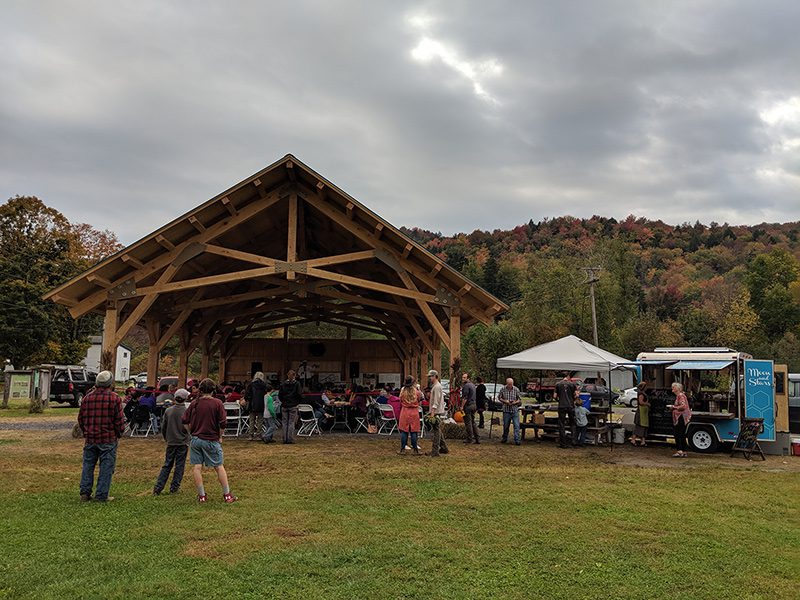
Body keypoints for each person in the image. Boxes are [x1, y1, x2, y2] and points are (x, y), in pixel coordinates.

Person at [181, 378, 237, 503]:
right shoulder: (217, 403)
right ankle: (227, 494)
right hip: (211, 439)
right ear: (213, 390)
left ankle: (202, 496)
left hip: (196, 439)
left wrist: (191, 432)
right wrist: (220, 436)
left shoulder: (195, 403)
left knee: (197, 467)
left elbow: (184, 420)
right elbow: (223, 423)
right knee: (219, 466)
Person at [78, 370, 124, 502]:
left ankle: (85, 493)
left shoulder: (87, 398)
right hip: (108, 439)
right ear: (110, 383)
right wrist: (119, 433)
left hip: (90, 438)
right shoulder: (115, 398)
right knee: (106, 467)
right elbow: (119, 420)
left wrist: (86, 432)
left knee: (88, 465)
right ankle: (101, 495)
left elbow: (81, 419)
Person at [153, 388, 191, 495]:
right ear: (185, 399)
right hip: (182, 442)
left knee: (167, 464)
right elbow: (189, 427)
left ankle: (158, 487)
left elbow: (163, 427)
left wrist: (166, 438)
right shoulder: (186, 412)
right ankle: (174, 487)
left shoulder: (168, 411)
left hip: (171, 441)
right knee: (179, 465)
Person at [427, 370, 449, 457]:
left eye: (431, 376)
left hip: (436, 412)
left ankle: (435, 451)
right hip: (436, 411)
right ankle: (444, 448)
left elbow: (436, 401)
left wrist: (432, 412)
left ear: (435, 376)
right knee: (437, 429)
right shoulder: (436, 386)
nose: (430, 378)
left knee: (436, 432)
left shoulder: (436, 387)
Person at [398, 377, 421, 455]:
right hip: (414, 412)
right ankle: (415, 450)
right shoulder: (416, 392)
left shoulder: (402, 391)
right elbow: (420, 399)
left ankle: (402, 449)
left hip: (405, 411)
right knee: (414, 431)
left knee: (404, 431)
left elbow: (400, 400)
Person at [278, 369, 303, 444]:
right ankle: (290, 439)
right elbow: (299, 394)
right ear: (294, 375)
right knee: (291, 422)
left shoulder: (283, 384)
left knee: (284, 422)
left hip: (284, 405)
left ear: (287, 375)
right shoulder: (297, 384)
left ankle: (284, 439)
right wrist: (297, 402)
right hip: (293, 405)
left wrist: (283, 401)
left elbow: (280, 395)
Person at [555, 372, 578, 448]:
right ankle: (574, 441)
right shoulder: (572, 384)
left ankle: (563, 443)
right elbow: (577, 395)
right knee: (573, 423)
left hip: (561, 406)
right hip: (571, 406)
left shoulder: (558, 384)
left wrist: (559, 400)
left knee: (561, 424)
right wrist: (573, 399)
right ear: (568, 376)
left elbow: (554, 396)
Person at [498, 377, 522, 445]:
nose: (510, 385)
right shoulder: (503, 389)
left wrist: (515, 402)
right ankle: (504, 438)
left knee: (516, 426)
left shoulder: (516, 389)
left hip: (514, 410)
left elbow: (520, 399)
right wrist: (505, 401)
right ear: (507, 384)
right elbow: (499, 397)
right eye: (509, 384)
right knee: (506, 426)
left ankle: (517, 440)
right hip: (506, 410)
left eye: (511, 384)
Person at [245, 372, 267, 440]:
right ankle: (258, 434)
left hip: (252, 404)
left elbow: (247, 395)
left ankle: (250, 435)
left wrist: (247, 400)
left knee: (252, 420)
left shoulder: (251, 385)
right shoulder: (264, 385)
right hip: (261, 404)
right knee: (260, 420)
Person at [671, 382, 692, 458]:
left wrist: (673, 407)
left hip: (681, 417)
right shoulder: (680, 396)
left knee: (678, 433)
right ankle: (684, 451)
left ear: (678, 388)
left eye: (674, 387)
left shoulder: (680, 395)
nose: (672, 388)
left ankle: (679, 451)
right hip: (683, 417)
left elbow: (683, 406)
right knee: (682, 434)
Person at [461, 372, 479, 444]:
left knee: (468, 423)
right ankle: (477, 438)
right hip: (474, 405)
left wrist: (462, 406)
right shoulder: (473, 385)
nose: (463, 379)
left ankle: (470, 438)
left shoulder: (466, 386)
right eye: (462, 377)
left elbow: (465, 398)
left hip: (468, 405)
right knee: (473, 422)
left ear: (468, 378)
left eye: (464, 377)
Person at [630, 382, 650, 447]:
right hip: (641, 413)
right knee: (639, 427)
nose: (647, 388)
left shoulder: (643, 393)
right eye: (646, 386)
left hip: (644, 413)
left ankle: (643, 441)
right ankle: (633, 440)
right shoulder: (641, 394)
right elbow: (641, 402)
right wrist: (647, 404)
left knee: (644, 427)